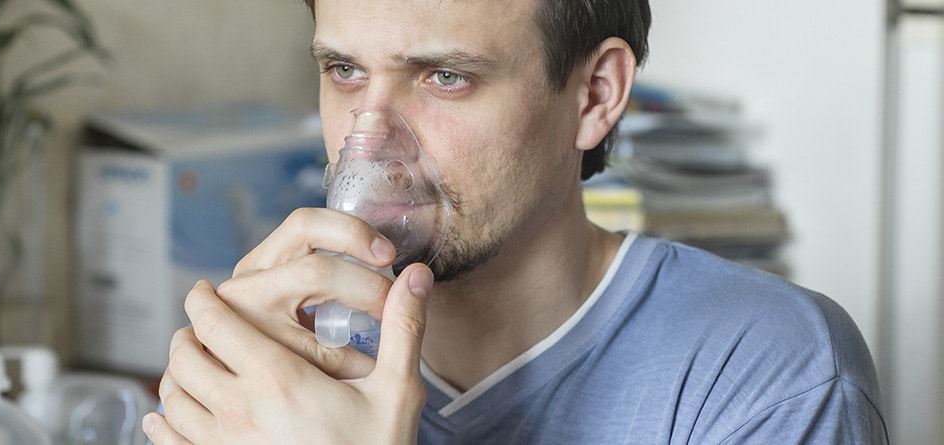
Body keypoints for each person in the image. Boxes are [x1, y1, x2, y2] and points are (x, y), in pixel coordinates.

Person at [142, 0, 889, 443]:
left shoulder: (763, 374)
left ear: (596, 94)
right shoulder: (278, 367)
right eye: (344, 71)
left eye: (445, 77)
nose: (365, 143)